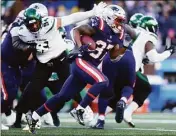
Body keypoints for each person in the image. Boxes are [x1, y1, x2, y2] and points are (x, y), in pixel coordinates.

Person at [29, 4, 127, 133]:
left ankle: (35, 116)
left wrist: (122, 48)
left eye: (121, 21)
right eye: (118, 20)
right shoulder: (99, 25)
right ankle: (80, 109)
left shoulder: (118, 35)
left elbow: (114, 56)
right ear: (109, 18)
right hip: (82, 61)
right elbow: (76, 30)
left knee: (62, 96)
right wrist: (78, 47)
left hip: (89, 66)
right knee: (103, 81)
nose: (120, 24)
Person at [11, 2, 107, 134]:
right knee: (32, 90)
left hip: (61, 59)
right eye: (30, 25)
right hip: (43, 64)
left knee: (72, 87)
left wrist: (92, 13)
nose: (34, 27)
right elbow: (16, 42)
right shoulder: (22, 31)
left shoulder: (49, 22)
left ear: (41, 20)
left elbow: (72, 18)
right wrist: (31, 47)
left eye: (36, 24)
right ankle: (24, 117)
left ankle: (84, 111)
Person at [1, 3, 48, 130]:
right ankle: (8, 113)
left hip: (20, 63)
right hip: (6, 61)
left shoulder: (37, 29)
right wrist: (34, 48)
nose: (36, 25)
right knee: (8, 93)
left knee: (27, 91)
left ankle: (24, 115)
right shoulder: (19, 28)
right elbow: (17, 45)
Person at [123, 15, 175, 126]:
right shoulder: (145, 36)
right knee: (145, 88)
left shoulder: (133, 34)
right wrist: (168, 52)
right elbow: (154, 58)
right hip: (130, 69)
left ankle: (99, 118)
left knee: (116, 95)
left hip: (117, 66)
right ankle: (127, 111)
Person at [92, 9, 137, 129]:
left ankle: (100, 120)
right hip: (127, 55)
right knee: (128, 85)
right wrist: (124, 27)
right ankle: (122, 100)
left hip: (110, 58)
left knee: (106, 89)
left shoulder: (99, 25)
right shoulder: (123, 27)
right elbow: (134, 34)